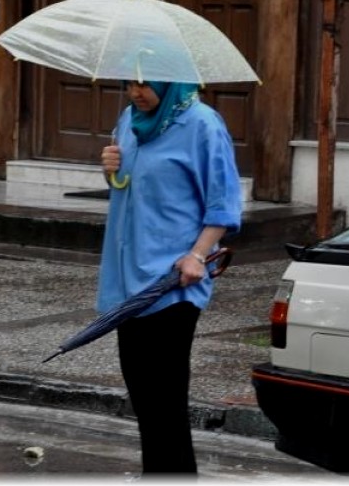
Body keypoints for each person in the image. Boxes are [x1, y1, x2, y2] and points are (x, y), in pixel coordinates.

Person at [99, 80, 241, 476]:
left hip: (173, 281)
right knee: (143, 390)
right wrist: (110, 170)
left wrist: (198, 254)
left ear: (169, 80)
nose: (136, 92)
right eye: (130, 83)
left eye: (146, 84)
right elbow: (129, 189)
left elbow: (224, 203)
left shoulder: (202, 124)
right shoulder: (129, 120)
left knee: (165, 394)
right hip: (127, 279)